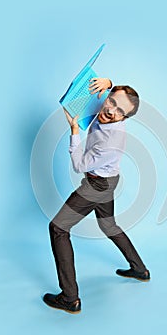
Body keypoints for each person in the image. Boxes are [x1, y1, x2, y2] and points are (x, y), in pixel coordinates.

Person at [43, 77, 150, 314]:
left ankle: (70, 298)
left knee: (58, 228)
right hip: (108, 180)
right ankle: (140, 270)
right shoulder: (109, 104)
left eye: (119, 111)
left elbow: (80, 165)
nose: (110, 109)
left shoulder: (111, 142)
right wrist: (109, 82)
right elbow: (107, 90)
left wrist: (73, 130)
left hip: (97, 185)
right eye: (111, 100)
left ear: (124, 118)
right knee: (109, 226)